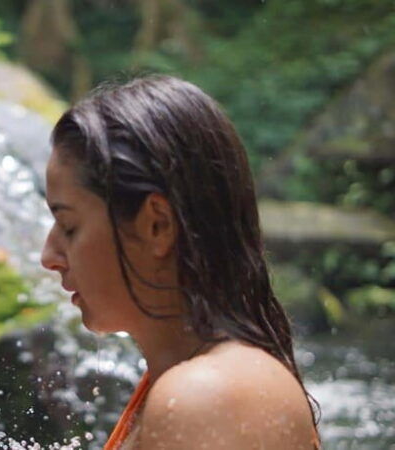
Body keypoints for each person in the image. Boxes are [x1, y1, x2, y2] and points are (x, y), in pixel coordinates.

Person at [40, 75, 321, 449]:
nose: (49, 257)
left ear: (158, 225)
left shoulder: (211, 397)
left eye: (69, 226)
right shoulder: (187, 382)